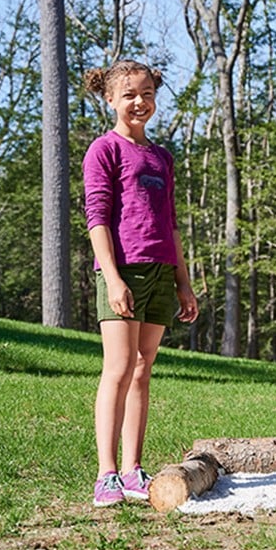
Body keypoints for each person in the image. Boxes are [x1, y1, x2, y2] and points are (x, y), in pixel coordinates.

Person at [83, 59, 199, 507]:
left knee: (142, 369)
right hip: (123, 271)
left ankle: (133, 469)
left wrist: (183, 284)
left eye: (147, 93)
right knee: (117, 368)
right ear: (110, 99)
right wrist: (112, 277)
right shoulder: (104, 150)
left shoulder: (162, 157)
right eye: (129, 94)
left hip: (160, 274)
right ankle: (106, 475)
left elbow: (170, 225)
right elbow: (97, 218)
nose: (139, 101)